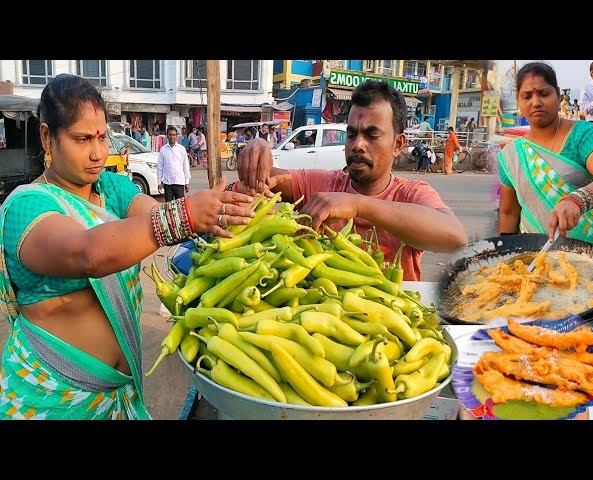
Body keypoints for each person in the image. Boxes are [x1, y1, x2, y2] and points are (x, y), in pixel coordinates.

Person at [0, 74, 257, 420]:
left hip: (121, 396)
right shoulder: (25, 208)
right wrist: (186, 215)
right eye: (81, 139)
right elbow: (87, 253)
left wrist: (228, 206)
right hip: (52, 398)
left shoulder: (111, 188)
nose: (96, 152)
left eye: (102, 137)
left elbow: (160, 218)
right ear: (48, 137)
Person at [234, 79, 468, 281]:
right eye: (352, 134)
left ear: (398, 144)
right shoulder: (321, 185)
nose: (357, 144)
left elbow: (455, 238)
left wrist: (358, 205)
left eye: (371, 135)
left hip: (392, 325)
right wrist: (259, 148)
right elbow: (262, 178)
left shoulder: (411, 195)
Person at [497, 62, 593, 252]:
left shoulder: (582, 135)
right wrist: (504, 254)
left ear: (558, 96)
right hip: (536, 262)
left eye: (544, 94)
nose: (536, 102)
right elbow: (509, 213)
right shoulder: (511, 155)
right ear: (519, 101)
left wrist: (577, 200)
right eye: (527, 96)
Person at [157, 125, 191, 201]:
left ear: (176, 136)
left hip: (179, 182)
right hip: (168, 183)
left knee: (180, 207)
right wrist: (159, 182)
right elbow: (160, 167)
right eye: (170, 135)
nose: (172, 137)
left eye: (174, 135)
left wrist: (187, 182)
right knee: (169, 208)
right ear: (167, 136)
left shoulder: (181, 149)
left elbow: (185, 166)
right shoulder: (163, 150)